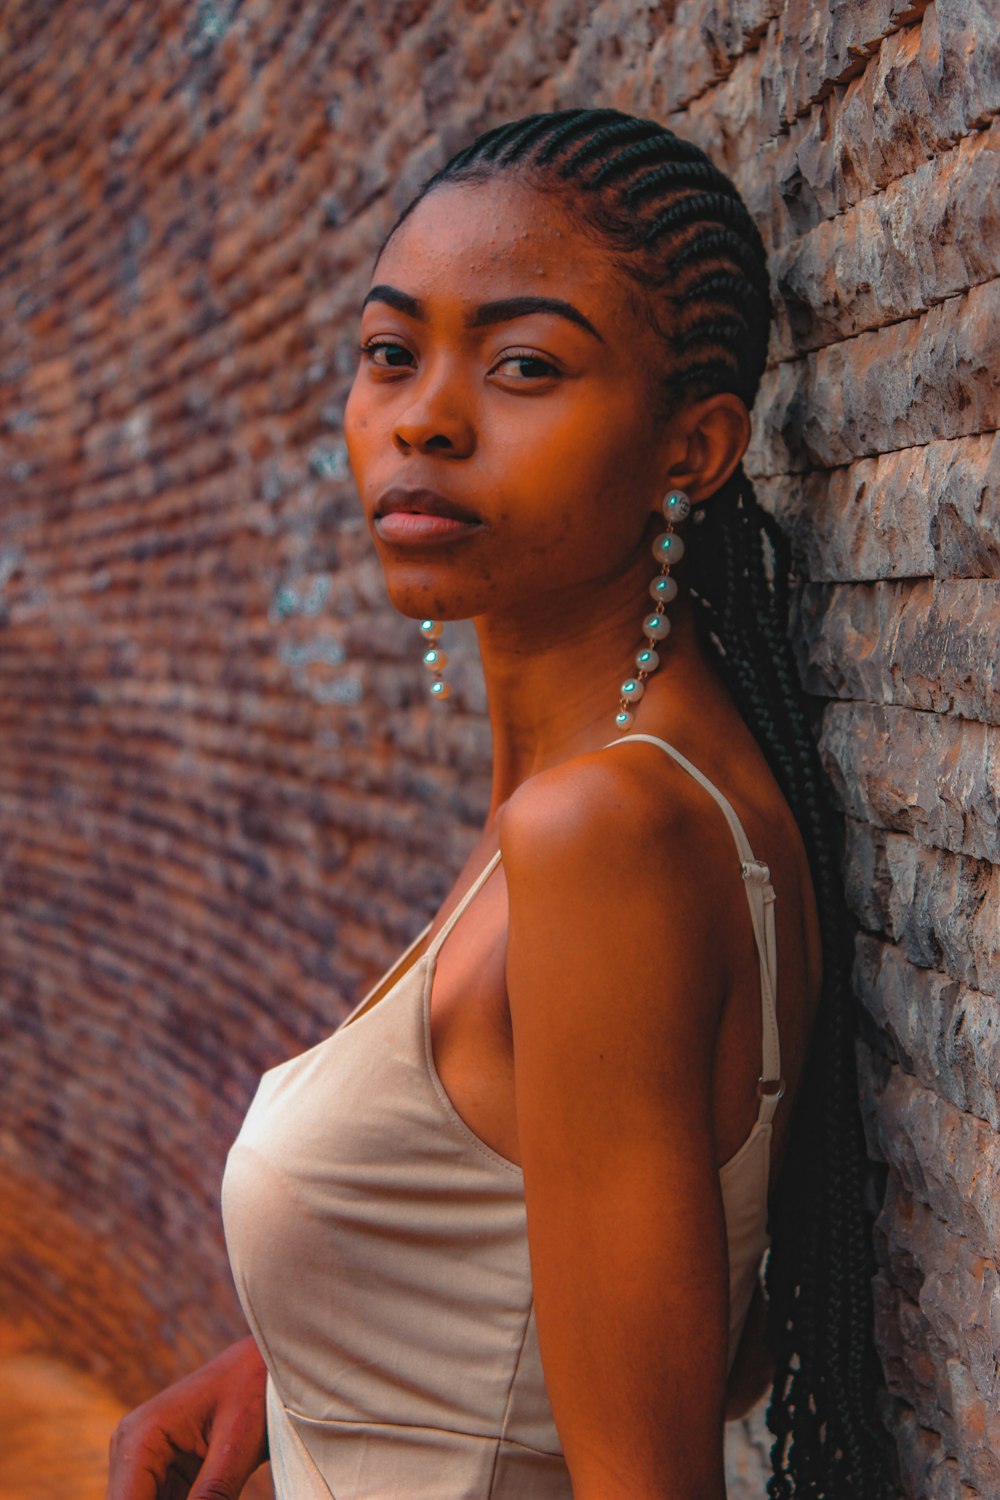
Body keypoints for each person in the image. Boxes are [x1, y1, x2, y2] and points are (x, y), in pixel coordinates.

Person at [107, 108, 891, 1500]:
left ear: (692, 451)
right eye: (390, 355)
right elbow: (529, 1271)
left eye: (524, 364)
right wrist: (305, 1369)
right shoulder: (612, 782)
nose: (425, 416)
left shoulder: (600, 835)